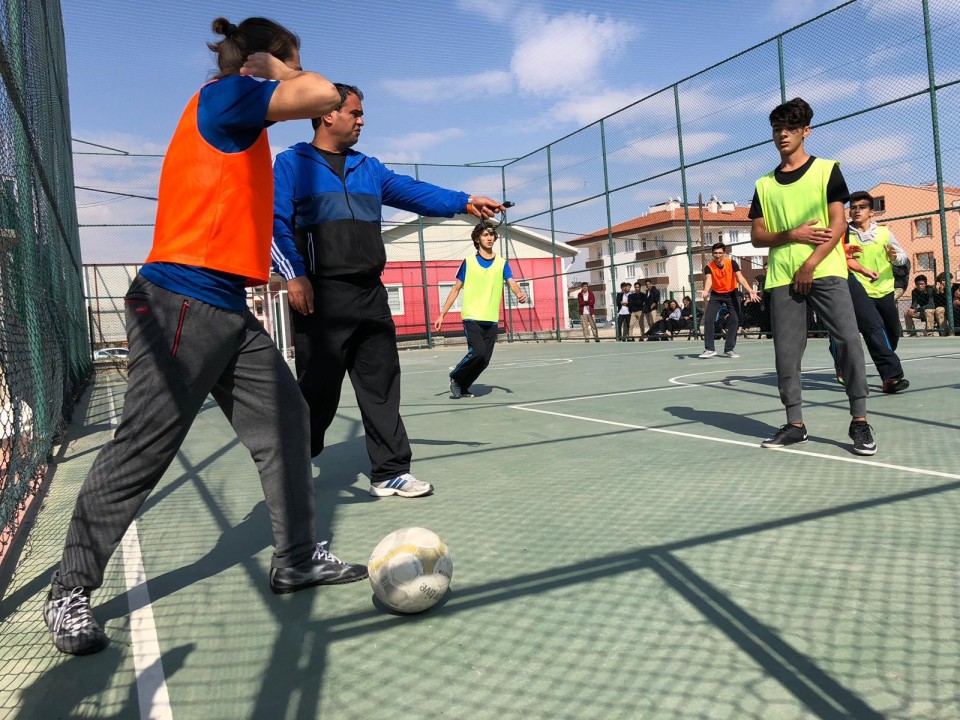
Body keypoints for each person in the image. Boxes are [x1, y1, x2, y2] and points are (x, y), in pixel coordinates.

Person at [43, 18, 369, 657]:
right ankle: (68, 590)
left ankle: (296, 557)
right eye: (290, 60)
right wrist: (278, 69)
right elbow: (324, 95)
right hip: (179, 302)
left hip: (223, 306)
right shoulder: (228, 95)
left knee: (288, 422)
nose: (296, 72)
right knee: (144, 447)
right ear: (264, 61)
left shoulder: (241, 118)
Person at [271, 84, 507, 499]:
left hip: (370, 294)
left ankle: (390, 471)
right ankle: (296, 458)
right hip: (321, 297)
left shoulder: (370, 168)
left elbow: (414, 192)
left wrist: (465, 201)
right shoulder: (292, 165)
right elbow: (274, 224)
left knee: (380, 385)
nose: (362, 121)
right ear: (327, 114)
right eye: (355, 113)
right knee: (317, 392)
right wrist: (294, 276)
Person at [749, 97, 875, 455]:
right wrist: (792, 234)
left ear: (806, 131)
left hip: (825, 271)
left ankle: (860, 421)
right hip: (782, 277)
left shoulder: (827, 170)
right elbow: (758, 236)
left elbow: (838, 224)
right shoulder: (764, 184)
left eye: (790, 128)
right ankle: (795, 424)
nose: (782, 134)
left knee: (848, 340)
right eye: (777, 129)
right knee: (786, 353)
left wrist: (809, 265)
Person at [828, 192, 909, 393]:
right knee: (871, 329)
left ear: (872, 212)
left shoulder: (884, 232)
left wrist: (894, 257)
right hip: (857, 288)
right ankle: (890, 376)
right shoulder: (843, 231)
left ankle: (885, 359)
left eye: (862, 207)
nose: (856, 210)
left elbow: (902, 257)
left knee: (891, 332)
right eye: (853, 207)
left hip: (884, 289)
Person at [434, 222, 527, 396]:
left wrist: (519, 293)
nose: (489, 237)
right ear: (477, 239)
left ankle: (463, 386)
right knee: (478, 352)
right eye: (485, 235)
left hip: (491, 318)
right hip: (472, 316)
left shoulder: (501, 263)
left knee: (484, 360)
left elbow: (511, 282)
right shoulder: (468, 262)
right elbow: (456, 289)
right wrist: (442, 314)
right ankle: (455, 377)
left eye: (491, 234)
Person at [698, 243, 759, 358]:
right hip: (716, 294)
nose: (718, 255)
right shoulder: (709, 267)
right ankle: (709, 349)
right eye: (715, 253)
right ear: (712, 254)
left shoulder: (732, 263)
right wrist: (706, 290)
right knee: (709, 319)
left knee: (735, 320)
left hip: (732, 293)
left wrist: (750, 290)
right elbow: (709, 280)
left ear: (724, 254)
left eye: (720, 253)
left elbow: (740, 277)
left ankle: (729, 349)